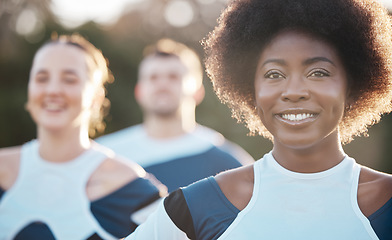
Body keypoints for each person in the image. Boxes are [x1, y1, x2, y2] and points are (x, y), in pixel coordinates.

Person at [126, 0, 392, 239]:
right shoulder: (199, 205)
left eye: (318, 72)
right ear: (250, 90)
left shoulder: (386, 202)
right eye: (274, 74)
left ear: (353, 85)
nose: (294, 92)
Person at [0, 34, 166, 240]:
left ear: (96, 97)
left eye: (69, 79)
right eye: (41, 78)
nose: (52, 90)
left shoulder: (132, 189)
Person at [96, 39, 254, 193]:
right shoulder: (105, 155)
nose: (162, 85)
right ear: (139, 91)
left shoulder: (228, 162)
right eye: (153, 77)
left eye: (173, 77)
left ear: (198, 91)